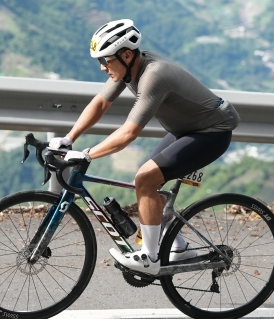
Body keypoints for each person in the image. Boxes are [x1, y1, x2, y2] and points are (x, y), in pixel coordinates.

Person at [50, 19, 240, 275]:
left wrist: (86, 155)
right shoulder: (129, 68)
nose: (103, 67)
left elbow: (128, 133)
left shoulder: (153, 75)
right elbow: (101, 103)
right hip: (185, 130)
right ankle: (180, 247)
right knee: (147, 183)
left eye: (105, 60)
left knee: (145, 179)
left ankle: (149, 258)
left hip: (212, 132)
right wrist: (70, 137)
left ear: (127, 55)